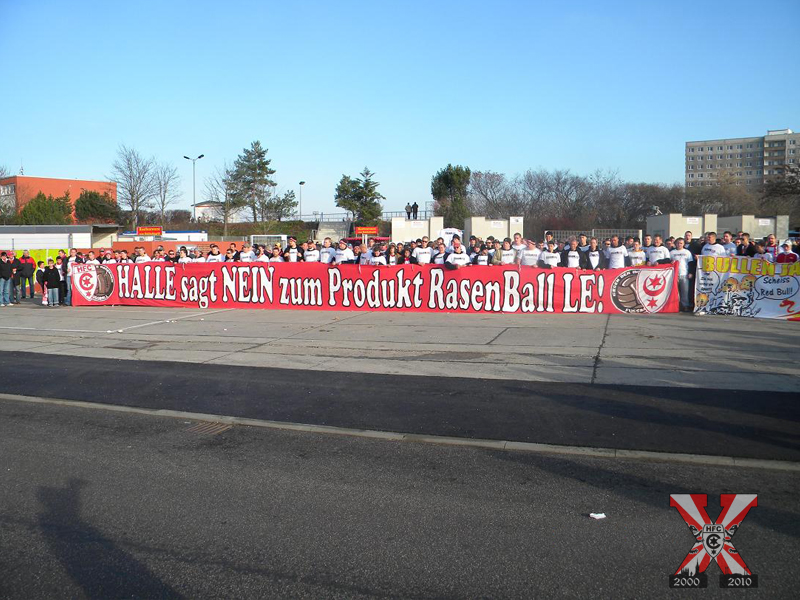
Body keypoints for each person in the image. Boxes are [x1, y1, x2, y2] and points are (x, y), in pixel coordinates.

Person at [670, 238, 694, 312]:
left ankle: (685, 305)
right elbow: (668, 262)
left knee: (685, 291)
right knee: (675, 292)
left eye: (681, 243)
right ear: (675, 244)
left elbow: (691, 263)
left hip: (684, 274)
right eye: (678, 243)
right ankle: (676, 305)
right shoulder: (672, 252)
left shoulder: (687, 252)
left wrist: (690, 272)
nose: (679, 244)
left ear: (683, 244)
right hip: (674, 275)